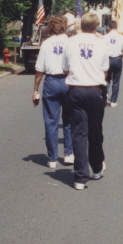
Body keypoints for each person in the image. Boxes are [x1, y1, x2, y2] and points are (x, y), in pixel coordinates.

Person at [62, 12, 110, 190]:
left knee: (79, 133)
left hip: (76, 90)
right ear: (97, 26)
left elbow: (65, 68)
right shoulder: (101, 43)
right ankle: (96, 168)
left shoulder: (71, 42)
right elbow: (105, 70)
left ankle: (80, 177)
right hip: (94, 89)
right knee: (95, 131)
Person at [32, 15, 73, 169]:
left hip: (51, 81)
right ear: (65, 27)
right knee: (69, 118)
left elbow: (39, 69)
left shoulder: (46, 44)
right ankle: (69, 153)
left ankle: (52, 158)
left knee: (51, 120)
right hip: (68, 81)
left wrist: (36, 89)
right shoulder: (70, 42)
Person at [104, 20, 123, 107]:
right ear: (116, 27)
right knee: (116, 80)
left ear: (109, 27)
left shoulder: (106, 37)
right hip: (117, 59)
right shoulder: (120, 37)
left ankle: (105, 95)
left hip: (107, 59)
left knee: (106, 79)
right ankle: (113, 101)